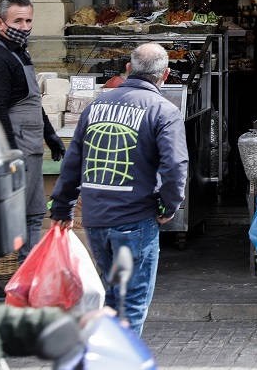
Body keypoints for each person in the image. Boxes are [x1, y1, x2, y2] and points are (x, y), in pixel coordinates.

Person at [50, 42, 189, 336]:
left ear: (128, 69)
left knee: (112, 299)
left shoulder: (97, 105)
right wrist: (169, 206)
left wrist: (62, 207)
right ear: (165, 74)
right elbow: (175, 166)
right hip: (136, 220)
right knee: (133, 305)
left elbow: (73, 159)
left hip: (96, 219)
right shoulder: (164, 110)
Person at [0, 0, 66, 261]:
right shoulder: (0, 58)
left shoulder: (21, 54)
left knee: (34, 214)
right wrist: (12, 154)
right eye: (17, 21)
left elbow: (33, 101)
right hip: (17, 153)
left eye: (28, 20)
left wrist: (51, 135)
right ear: (1, 23)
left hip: (33, 149)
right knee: (4, 219)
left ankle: (29, 273)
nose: (24, 27)